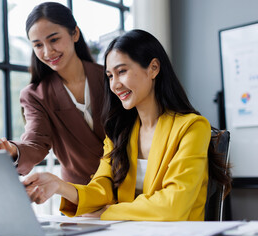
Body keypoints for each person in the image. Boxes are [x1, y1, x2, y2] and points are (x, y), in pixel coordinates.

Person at [22, 29, 232, 221]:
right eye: (110, 76)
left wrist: (109, 212)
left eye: (122, 71)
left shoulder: (192, 128)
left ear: (153, 68)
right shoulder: (118, 132)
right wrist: (58, 185)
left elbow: (173, 206)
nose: (114, 84)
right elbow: (101, 189)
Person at [0, 2, 105, 185]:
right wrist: (13, 151)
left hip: (133, 188)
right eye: (38, 45)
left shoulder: (109, 77)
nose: (48, 52)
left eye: (54, 40)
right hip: (81, 195)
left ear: (75, 33)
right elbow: (36, 142)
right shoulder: (35, 95)